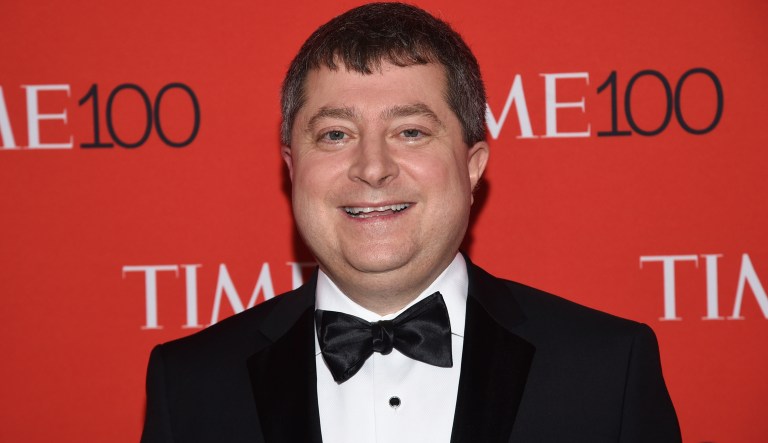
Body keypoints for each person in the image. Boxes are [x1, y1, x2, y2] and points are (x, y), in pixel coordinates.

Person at [140, 3, 681, 442]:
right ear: (292, 169)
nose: (372, 167)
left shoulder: (607, 370)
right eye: (335, 134)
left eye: (411, 132)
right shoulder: (191, 384)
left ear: (472, 168)